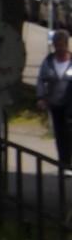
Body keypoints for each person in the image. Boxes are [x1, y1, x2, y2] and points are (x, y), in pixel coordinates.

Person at [37, 30, 72, 163]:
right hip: (56, 103)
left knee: (69, 132)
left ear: (66, 45)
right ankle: (65, 162)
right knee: (60, 134)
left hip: (70, 104)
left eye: (62, 45)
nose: (59, 49)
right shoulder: (49, 61)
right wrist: (41, 97)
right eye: (57, 45)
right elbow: (41, 80)